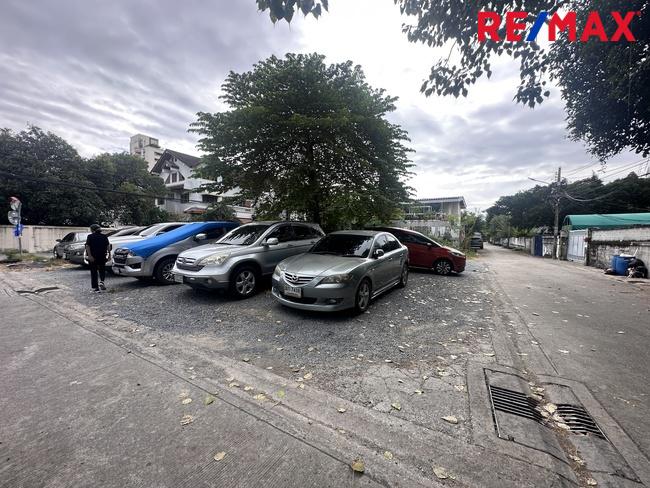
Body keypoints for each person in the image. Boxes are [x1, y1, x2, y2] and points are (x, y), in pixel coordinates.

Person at [85, 224, 111, 292]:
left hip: (93, 256)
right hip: (102, 256)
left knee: (94, 271)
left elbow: (87, 246)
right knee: (102, 269)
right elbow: (108, 246)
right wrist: (109, 255)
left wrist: (90, 255)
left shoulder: (90, 236)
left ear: (92, 230)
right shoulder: (104, 236)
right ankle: (102, 281)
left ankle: (95, 287)